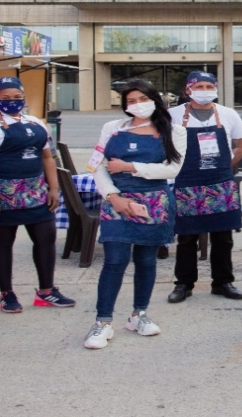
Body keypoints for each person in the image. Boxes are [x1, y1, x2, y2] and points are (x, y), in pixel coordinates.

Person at [84, 79, 186, 349]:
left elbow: (172, 169)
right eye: (131, 101)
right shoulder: (112, 128)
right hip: (117, 200)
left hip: (154, 202)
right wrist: (113, 197)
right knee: (115, 261)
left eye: (142, 99)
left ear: (155, 99)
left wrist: (130, 166)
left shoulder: (174, 131)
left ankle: (139, 314)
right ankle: (102, 322)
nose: (137, 105)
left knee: (146, 261)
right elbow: (98, 166)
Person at [0, 77, 73, 314]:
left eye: (17, 97)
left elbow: (47, 157)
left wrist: (53, 188)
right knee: (3, 242)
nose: (12, 102)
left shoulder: (36, 122)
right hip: (3, 193)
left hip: (37, 191)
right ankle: (7, 294)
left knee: (46, 239)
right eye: (5, 98)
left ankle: (46, 290)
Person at [166, 71, 242, 303]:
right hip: (187, 181)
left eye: (209, 85)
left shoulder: (228, 114)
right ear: (188, 89)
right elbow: (162, 146)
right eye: (199, 85)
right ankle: (183, 283)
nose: (205, 90)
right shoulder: (172, 115)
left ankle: (223, 282)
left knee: (223, 236)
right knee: (186, 237)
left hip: (220, 182)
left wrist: (226, 164)